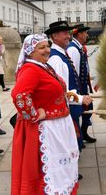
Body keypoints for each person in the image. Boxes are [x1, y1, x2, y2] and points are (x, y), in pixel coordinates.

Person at [11, 33, 79, 195]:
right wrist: (34, 115)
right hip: (47, 129)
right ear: (30, 51)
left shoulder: (43, 66)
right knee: (50, 173)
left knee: (61, 170)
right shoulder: (31, 69)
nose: (47, 50)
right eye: (41, 47)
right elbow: (19, 95)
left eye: (47, 46)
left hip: (57, 125)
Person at [46, 21, 92, 154]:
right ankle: (71, 173)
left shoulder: (61, 54)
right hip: (67, 109)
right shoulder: (56, 59)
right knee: (72, 144)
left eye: (68, 32)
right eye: (65, 33)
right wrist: (80, 99)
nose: (69, 36)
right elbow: (61, 91)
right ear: (54, 36)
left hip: (71, 108)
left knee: (74, 142)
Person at [67, 24, 96, 143]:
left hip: (83, 86)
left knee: (87, 109)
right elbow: (74, 72)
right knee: (80, 111)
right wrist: (79, 92)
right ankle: (79, 135)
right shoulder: (73, 49)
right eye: (85, 33)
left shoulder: (78, 47)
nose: (87, 35)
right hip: (78, 88)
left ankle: (83, 133)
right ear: (79, 34)